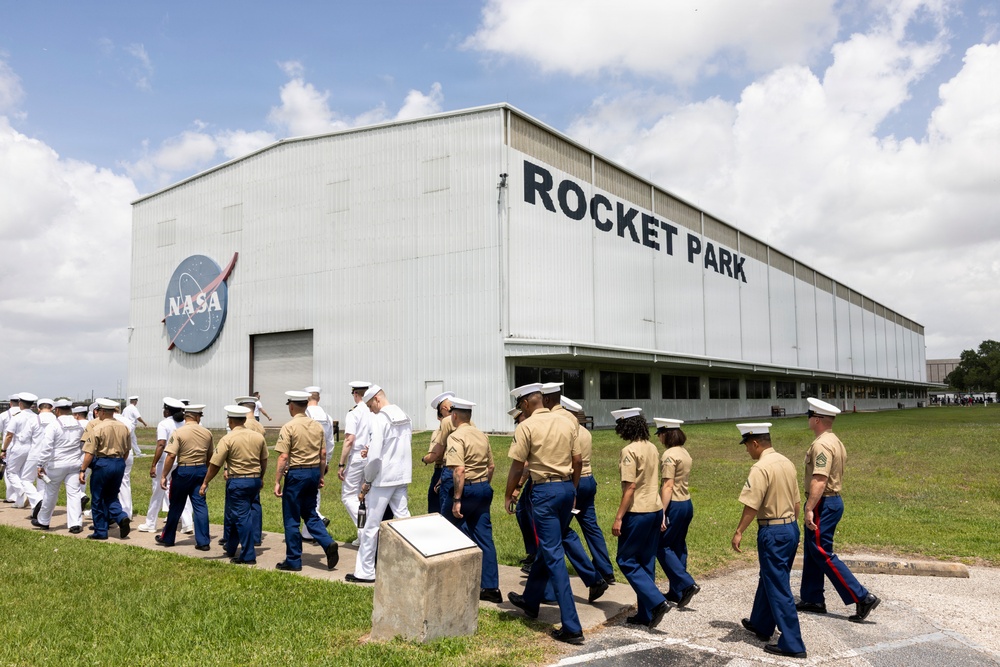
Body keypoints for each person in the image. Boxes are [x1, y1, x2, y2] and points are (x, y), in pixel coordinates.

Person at [504, 383, 585, 646]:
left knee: (553, 556)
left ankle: (572, 626)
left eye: (520, 406)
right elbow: (578, 460)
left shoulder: (526, 426)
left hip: (544, 492)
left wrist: (509, 494)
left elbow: (518, 467)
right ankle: (530, 600)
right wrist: (571, 489)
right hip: (565, 488)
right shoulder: (567, 421)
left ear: (526, 404)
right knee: (549, 547)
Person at [797, 397, 880, 622]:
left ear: (817, 420)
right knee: (814, 550)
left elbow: (820, 479)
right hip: (829, 501)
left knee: (822, 552)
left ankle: (862, 596)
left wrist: (809, 508)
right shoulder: (835, 440)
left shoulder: (822, 444)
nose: (809, 419)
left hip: (823, 501)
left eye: (810, 416)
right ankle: (812, 598)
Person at [732, 423, 806, 659]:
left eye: (746, 446)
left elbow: (752, 505)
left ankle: (793, 643)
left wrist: (739, 531)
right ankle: (762, 624)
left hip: (772, 531)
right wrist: (793, 528)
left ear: (755, 443)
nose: (747, 451)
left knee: (778, 585)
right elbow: (796, 502)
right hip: (790, 527)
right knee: (770, 576)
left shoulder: (760, 467)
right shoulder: (787, 462)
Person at [545, 388, 615, 586]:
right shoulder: (584, 432)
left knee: (560, 530)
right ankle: (605, 569)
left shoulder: (563, 429)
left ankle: (589, 576)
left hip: (571, 481)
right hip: (588, 479)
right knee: (591, 526)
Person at [611, 408, 670, 630]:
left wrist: (619, 517)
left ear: (625, 427)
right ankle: (646, 614)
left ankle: (656, 602)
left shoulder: (629, 451)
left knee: (625, 560)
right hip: (655, 509)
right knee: (646, 561)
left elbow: (630, 487)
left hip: (638, 512)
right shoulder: (652, 447)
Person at [348, 384, 412, 583]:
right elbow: (395, 447)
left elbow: (375, 458)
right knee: (405, 523)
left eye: (369, 405)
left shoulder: (379, 419)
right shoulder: (404, 415)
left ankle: (365, 572)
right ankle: (411, 565)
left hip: (383, 479)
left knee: (371, 527)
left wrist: (367, 481)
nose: (369, 409)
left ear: (377, 399)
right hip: (401, 476)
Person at [273, 390, 338, 572]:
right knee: (310, 512)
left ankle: (293, 560)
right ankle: (327, 542)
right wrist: (321, 476)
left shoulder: (289, 427)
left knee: (292, 517)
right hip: (312, 473)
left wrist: (277, 481)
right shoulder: (317, 426)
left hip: (296, 474)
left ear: (291, 406)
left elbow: (283, 457)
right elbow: (323, 454)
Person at [444, 396, 501, 602]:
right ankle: (491, 587)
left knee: (445, 530)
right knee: (484, 538)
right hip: (484, 488)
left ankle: (447, 579)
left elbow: (459, 469)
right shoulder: (482, 435)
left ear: (455, 415)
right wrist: (483, 485)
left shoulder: (456, 437)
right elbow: (491, 466)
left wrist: (457, 499)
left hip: (466, 490)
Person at [199, 405, 268, 565]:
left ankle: (248, 555)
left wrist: (205, 481)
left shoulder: (228, 438)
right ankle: (231, 547)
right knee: (240, 514)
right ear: (244, 420)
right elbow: (264, 460)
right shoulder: (258, 437)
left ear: (230, 421)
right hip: (254, 480)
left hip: (238, 481)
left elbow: (215, 464)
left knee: (241, 516)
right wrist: (261, 477)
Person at [654, 417, 700, 607]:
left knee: (661, 546)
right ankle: (677, 591)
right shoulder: (684, 452)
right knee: (678, 546)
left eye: (660, 434)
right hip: (686, 503)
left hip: (673, 504)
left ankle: (686, 584)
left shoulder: (669, 455)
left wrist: (662, 513)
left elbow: (668, 485)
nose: (659, 438)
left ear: (666, 434)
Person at [155, 404, 212, 550]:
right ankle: (203, 541)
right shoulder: (207, 433)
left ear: (187, 416)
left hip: (183, 470)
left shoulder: (178, 432)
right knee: (200, 506)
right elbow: (210, 456)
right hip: (200, 469)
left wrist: (163, 475)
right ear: (197, 416)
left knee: (176, 505)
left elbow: (171, 455)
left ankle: (168, 537)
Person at [78, 398, 132, 540]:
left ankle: (100, 531)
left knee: (97, 497)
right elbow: (127, 450)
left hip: (103, 463)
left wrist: (83, 470)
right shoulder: (123, 426)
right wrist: (118, 462)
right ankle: (121, 517)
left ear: (102, 412)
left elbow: (89, 452)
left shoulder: (97, 428)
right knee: (112, 496)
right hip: (119, 462)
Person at [139, 397, 193, 534]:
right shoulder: (185, 423)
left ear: (168, 411)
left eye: (165, 409)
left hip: (166, 462)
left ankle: (151, 523)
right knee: (181, 492)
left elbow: (161, 444)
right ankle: (187, 523)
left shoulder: (164, 424)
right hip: (180, 461)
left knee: (158, 492)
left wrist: (153, 464)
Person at [34, 400, 85, 532]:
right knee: (74, 494)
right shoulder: (78, 425)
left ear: (56, 410)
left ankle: (44, 520)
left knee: (50, 493)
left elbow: (47, 447)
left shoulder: (54, 425)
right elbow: (82, 445)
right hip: (74, 464)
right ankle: (75, 524)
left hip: (56, 464)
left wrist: (40, 464)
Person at [338, 381, 372, 537]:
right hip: (371, 454)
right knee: (365, 494)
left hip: (358, 455)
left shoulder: (354, 412)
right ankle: (363, 535)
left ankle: (363, 530)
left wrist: (341, 463)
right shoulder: (374, 411)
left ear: (355, 394)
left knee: (348, 496)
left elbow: (349, 440)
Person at [303, 386, 335, 538]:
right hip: (321, 459)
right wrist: (327, 461)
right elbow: (330, 441)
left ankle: (319, 519)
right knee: (316, 494)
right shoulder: (326, 416)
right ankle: (308, 532)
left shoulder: (305, 414)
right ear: (318, 398)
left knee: (302, 496)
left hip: (306, 458)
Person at [3, 392, 43, 510]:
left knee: (11, 472)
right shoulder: (36, 417)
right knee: (23, 475)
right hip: (32, 448)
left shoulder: (17, 416)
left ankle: (21, 491)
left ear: (20, 403)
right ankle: (20, 502)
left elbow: (9, 435)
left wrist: (3, 449)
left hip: (19, 446)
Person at [420, 391, 454, 514]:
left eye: (439, 412)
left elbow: (436, 454)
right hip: (463, 470)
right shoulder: (466, 424)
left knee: (436, 508)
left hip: (443, 470)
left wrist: (424, 459)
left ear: (444, 408)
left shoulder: (441, 428)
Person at [1, 394, 22, 503]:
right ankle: (21, 495)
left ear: (10, 403)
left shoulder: (4, 415)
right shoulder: (26, 414)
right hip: (25, 445)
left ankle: (12, 496)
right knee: (22, 472)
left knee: (9, 472)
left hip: (9, 446)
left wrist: (3, 449)